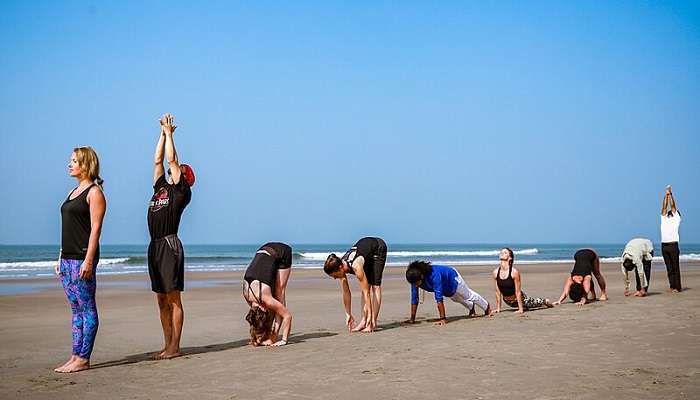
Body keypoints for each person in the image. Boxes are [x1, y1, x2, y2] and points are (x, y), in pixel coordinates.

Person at [54, 147, 107, 373]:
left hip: (82, 259)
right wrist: (60, 256)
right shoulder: (71, 192)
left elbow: (95, 230)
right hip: (67, 259)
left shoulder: (94, 193)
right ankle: (75, 356)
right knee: (75, 310)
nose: (70, 164)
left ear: (85, 164)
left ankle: (84, 359)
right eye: (70, 160)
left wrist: (88, 260)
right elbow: (68, 228)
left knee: (87, 308)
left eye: (74, 161)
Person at [147, 113, 194, 359]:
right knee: (161, 301)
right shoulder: (160, 187)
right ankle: (167, 345)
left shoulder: (181, 192)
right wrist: (161, 134)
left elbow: (171, 159)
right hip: (154, 246)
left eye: (176, 171)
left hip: (169, 244)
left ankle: (175, 347)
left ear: (184, 179)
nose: (170, 171)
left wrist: (170, 135)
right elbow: (158, 161)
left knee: (173, 298)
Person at [323, 237, 387, 332]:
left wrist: (370, 315)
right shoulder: (340, 266)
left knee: (374, 286)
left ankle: (372, 322)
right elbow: (346, 293)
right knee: (365, 285)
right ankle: (364, 321)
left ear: (340, 268)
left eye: (335, 275)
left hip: (378, 248)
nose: (335, 278)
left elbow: (367, 293)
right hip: (366, 252)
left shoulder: (356, 266)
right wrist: (348, 314)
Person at [405, 261, 490, 325]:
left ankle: (487, 307)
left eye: (416, 283)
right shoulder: (414, 279)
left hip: (453, 278)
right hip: (447, 288)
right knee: (456, 299)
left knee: (468, 295)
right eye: (413, 284)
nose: (415, 285)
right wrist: (412, 319)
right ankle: (471, 307)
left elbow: (439, 298)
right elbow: (414, 298)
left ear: (422, 276)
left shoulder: (434, 275)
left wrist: (443, 319)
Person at [242, 242, 293, 346]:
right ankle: (268, 336)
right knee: (274, 305)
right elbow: (255, 320)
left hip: (282, 252)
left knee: (279, 293)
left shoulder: (265, 298)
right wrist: (256, 338)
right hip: (263, 249)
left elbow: (287, 316)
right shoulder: (247, 296)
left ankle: (274, 335)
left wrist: (283, 340)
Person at [492, 248, 553, 314]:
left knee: (533, 303)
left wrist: (520, 309)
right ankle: (527, 305)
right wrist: (498, 308)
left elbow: (518, 292)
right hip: (508, 302)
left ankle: (544, 301)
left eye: (505, 253)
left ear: (510, 258)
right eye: (501, 252)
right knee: (528, 306)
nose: (502, 253)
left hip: (522, 299)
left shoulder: (514, 272)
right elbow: (497, 292)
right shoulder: (495, 272)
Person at [661, 185, 682, 293]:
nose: (669, 212)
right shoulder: (664, 218)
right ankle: (672, 286)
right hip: (664, 245)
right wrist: (665, 195)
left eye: (672, 211)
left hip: (673, 245)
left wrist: (671, 195)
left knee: (675, 267)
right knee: (669, 268)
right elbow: (664, 207)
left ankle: (677, 287)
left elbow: (673, 206)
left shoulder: (676, 218)